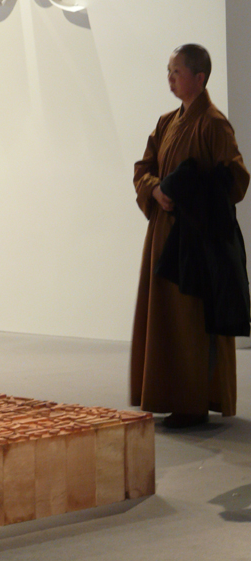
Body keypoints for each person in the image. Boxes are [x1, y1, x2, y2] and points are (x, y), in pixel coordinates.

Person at [130, 44, 250, 428]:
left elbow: (236, 178)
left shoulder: (214, 124)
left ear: (199, 78)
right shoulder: (167, 122)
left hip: (196, 238)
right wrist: (155, 189)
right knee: (166, 317)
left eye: (176, 72)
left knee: (191, 319)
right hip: (163, 234)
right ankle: (171, 395)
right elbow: (143, 167)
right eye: (168, 71)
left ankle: (195, 401)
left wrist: (190, 192)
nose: (170, 78)